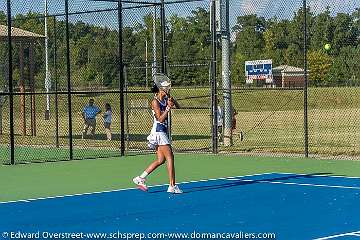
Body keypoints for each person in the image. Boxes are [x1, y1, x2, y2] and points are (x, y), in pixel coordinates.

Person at [133, 75, 182, 194]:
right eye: (167, 88)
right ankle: (172, 185)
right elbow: (160, 119)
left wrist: (172, 101)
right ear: (161, 88)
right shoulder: (155, 101)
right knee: (170, 157)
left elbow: (179, 107)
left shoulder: (166, 98)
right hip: (159, 131)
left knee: (161, 160)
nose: (169, 89)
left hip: (163, 131)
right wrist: (168, 109)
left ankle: (141, 178)